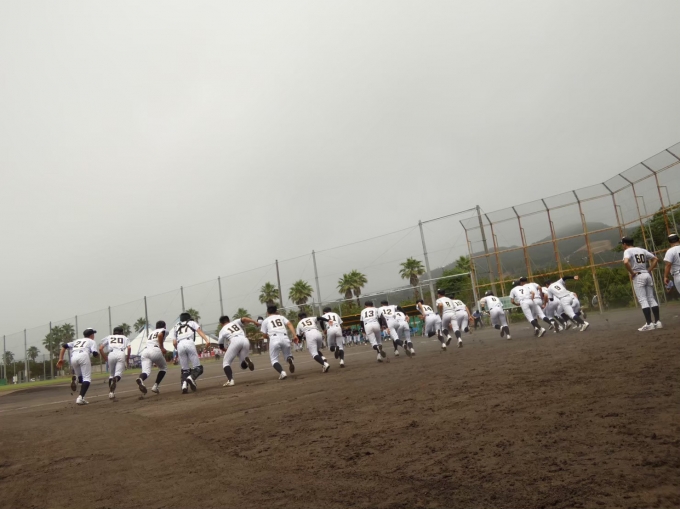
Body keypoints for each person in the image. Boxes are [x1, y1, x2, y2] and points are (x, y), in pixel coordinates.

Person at [621, 236, 662, 331]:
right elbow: (656, 259)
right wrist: (649, 270)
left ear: (625, 244)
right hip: (646, 274)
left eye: (623, 244)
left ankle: (649, 324)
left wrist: (632, 273)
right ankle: (658, 322)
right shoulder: (642, 250)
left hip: (638, 276)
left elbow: (626, 262)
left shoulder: (627, 251)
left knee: (643, 300)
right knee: (651, 298)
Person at [167, 312, 212, 393]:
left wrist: (178, 350)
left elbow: (174, 342)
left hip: (180, 344)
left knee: (185, 369)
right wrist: (206, 340)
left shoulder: (176, 326)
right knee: (198, 368)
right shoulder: (191, 322)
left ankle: (184, 385)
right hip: (189, 342)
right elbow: (199, 331)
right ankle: (191, 378)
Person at [56, 328, 99, 405]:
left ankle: (76, 379)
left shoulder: (77, 341)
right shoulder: (91, 341)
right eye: (93, 334)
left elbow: (64, 346)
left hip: (73, 357)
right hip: (83, 356)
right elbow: (95, 353)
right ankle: (80, 398)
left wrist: (60, 359)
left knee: (81, 378)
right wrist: (98, 356)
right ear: (91, 335)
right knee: (87, 378)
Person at [217, 315, 258, 387]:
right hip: (245, 340)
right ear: (229, 320)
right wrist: (254, 322)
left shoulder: (222, 330)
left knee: (226, 363)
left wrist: (228, 350)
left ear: (221, 324)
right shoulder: (234, 322)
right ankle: (247, 362)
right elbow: (244, 318)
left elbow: (221, 346)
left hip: (235, 341)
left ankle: (230, 381)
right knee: (242, 365)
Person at [260, 305, 298, 380]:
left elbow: (264, 335)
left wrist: (267, 338)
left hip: (274, 338)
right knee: (288, 355)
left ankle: (282, 372)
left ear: (267, 312)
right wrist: (294, 335)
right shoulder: (281, 317)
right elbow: (289, 324)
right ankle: (289, 359)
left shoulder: (266, 321)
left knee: (274, 360)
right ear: (276, 311)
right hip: (285, 337)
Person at [136, 321, 168, 395]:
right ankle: (155, 386)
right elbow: (160, 335)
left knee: (146, 372)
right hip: (155, 350)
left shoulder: (151, 333)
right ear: (164, 326)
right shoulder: (164, 330)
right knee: (163, 368)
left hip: (145, 351)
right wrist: (162, 347)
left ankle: (141, 379)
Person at [99, 326, 131, 400]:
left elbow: (100, 348)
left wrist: (105, 358)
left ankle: (111, 393)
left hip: (111, 354)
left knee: (111, 375)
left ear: (113, 332)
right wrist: (128, 358)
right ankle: (115, 379)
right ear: (122, 332)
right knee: (118, 374)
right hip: (120, 353)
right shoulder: (125, 338)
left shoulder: (109, 337)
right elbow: (129, 348)